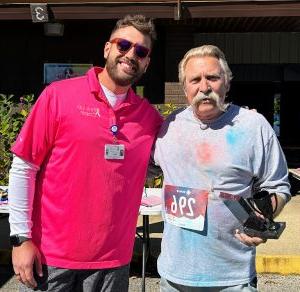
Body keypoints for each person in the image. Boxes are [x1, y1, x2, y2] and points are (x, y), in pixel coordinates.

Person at [8, 14, 162, 291]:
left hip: (114, 262)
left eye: (140, 51)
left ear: (147, 62)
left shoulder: (149, 118)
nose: (130, 55)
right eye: (123, 45)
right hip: (51, 258)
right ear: (107, 48)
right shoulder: (58, 96)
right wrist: (20, 239)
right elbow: (24, 166)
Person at [152, 45, 291, 291]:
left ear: (226, 83)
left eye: (212, 78)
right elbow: (140, 168)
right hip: (173, 276)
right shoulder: (167, 128)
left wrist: (263, 219)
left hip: (232, 277)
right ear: (184, 88)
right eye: (195, 79)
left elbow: (278, 186)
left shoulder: (253, 126)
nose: (204, 87)